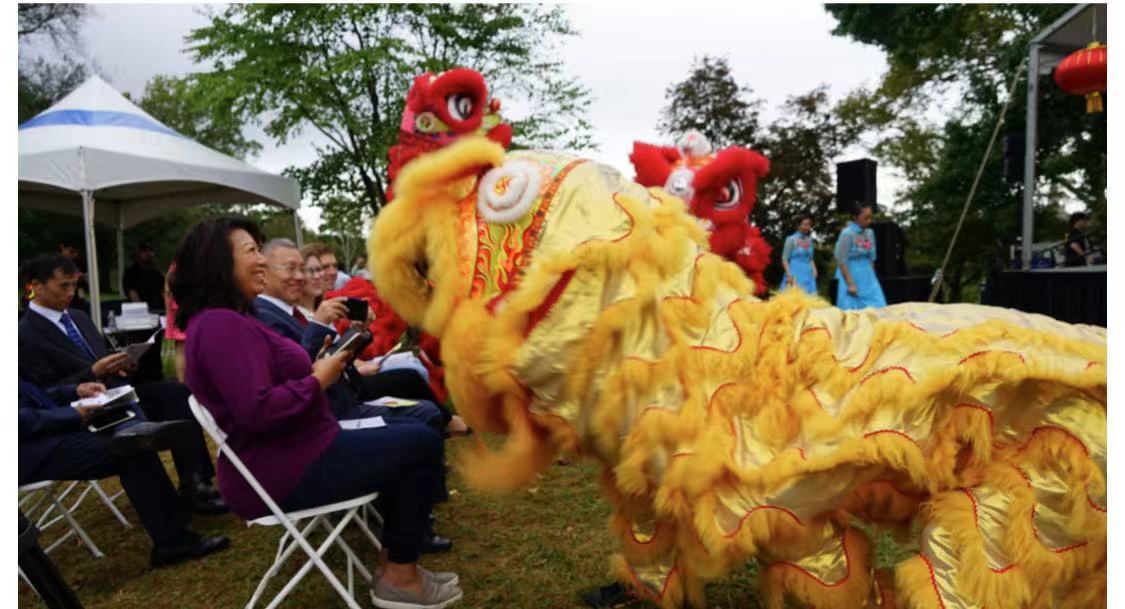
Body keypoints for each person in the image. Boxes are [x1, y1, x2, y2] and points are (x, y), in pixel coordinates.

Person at [172, 217, 462, 609]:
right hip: (283, 469)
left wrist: (323, 365)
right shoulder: (221, 326)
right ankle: (398, 574)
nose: (261, 260)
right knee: (420, 443)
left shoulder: (228, 320)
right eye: (252, 251)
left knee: (413, 436)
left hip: (301, 448)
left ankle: (393, 568)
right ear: (217, 262)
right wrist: (318, 379)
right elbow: (259, 410)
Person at [18, 254, 227, 514]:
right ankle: (167, 509)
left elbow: (100, 354)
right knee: (135, 437)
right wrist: (92, 372)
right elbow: (46, 391)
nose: (72, 292)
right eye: (64, 286)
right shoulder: (24, 333)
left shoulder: (78, 317)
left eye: (75, 285)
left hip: (120, 390)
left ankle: (196, 482)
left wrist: (122, 363)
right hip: (88, 407)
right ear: (36, 285)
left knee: (178, 394)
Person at [19, 378, 230, 567]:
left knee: (135, 434)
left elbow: (33, 395)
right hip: (30, 451)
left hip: (46, 432)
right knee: (129, 447)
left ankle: (177, 518)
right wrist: (72, 414)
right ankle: (172, 541)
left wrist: (76, 391)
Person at [834, 204, 886, 310]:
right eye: (866, 217)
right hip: (851, 274)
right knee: (854, 312)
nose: (869, 220)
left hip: (867, 276)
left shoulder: (869, 233)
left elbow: (871, 257)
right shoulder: (847, 234)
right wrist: (850, 284)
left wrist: (873, 278)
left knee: (879, 306)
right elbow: (841, 261)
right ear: (855, 217)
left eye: (870, 217)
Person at [780, 215, 818, 294]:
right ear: (798, 225)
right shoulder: (791, 239)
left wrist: (814, 269)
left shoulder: (810, 241)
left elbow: (810, 258)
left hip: (808, 273)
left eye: (809, 224)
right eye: (805, 224)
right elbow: (784, 259)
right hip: (795, 272)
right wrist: (788, 274)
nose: (807, 227)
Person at [123, 243, 166, 312]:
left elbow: (164, 293)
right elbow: (133, 295)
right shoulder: (130, 273)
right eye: (145, 251)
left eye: (151, 251)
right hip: (138, 312)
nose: (148, 253)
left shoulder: (157, 273)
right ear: (138, 253)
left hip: (159, 310)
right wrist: (144, 311)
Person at [164, 262, 187, 382]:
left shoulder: (176, 263)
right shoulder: (201, 258)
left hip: (178, 306)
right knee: (183, 347)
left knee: (181, 347)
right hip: (188, 307)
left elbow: (167, 289)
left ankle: (182, 381)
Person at [298, 246, 327, 319]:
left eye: (319, 269)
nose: (317, 276)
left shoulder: (323, 310)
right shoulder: (294, 316)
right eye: (311, 271)